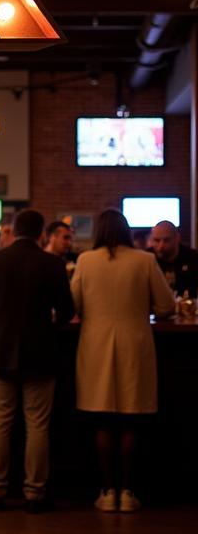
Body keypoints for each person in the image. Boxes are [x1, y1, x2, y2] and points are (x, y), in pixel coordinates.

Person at [0, 209, 75, 512]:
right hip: (41, 352)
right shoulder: (53, 264)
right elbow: (67, 313)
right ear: (42, 233)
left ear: (13, 231)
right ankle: (35, 494)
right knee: (38, 426)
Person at [72, 208, 175, 513]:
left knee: (103, 418)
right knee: (130, 418)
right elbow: (166, 305)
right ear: (128, 230)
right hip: (135, 345)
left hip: (96, 345)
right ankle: (128, 492)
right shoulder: (145, 260)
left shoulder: (86, 261)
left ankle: (106, 491)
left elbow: (73, 304)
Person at [149, 219, 198, 297]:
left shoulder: (193, 258)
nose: (161, 246)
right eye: (156, 240)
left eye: (166, 240)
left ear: (177, 238)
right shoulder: (147, 259)